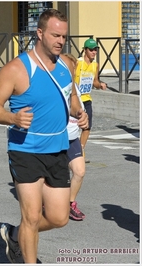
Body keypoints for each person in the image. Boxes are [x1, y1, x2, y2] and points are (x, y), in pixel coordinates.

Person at [0, 9, 88, 263]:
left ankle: (15, 235)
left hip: (57, 149)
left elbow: (70, 96)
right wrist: (13, 118)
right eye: (55, 35)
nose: (60, 41)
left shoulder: (64, 64)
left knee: (58, 217)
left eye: (64, 36)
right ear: (39, 33)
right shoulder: (17, 68)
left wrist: (79, 111)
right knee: (31, 216)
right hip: (26, 150)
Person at [76, 38, 107, 163]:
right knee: (72, 127)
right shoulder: (78, 63)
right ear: (85, 50)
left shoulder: (95, 65)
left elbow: (94, 81)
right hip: (76, 99)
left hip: (87, 99)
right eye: (91, 50)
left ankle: (80, 151)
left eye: (95, 50)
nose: (94, 52)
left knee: (87, 127)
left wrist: (100, 85)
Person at [63, 53, 86, 221]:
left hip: (72, 138)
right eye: (70, 67)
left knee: (79, 171)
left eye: (74, 68)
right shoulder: (58, 85)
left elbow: (79, 110)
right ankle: (45, 202)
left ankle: (69, 204)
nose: (73, 70)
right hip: (57, 136)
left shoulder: (76, 88)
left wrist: (83, 117)